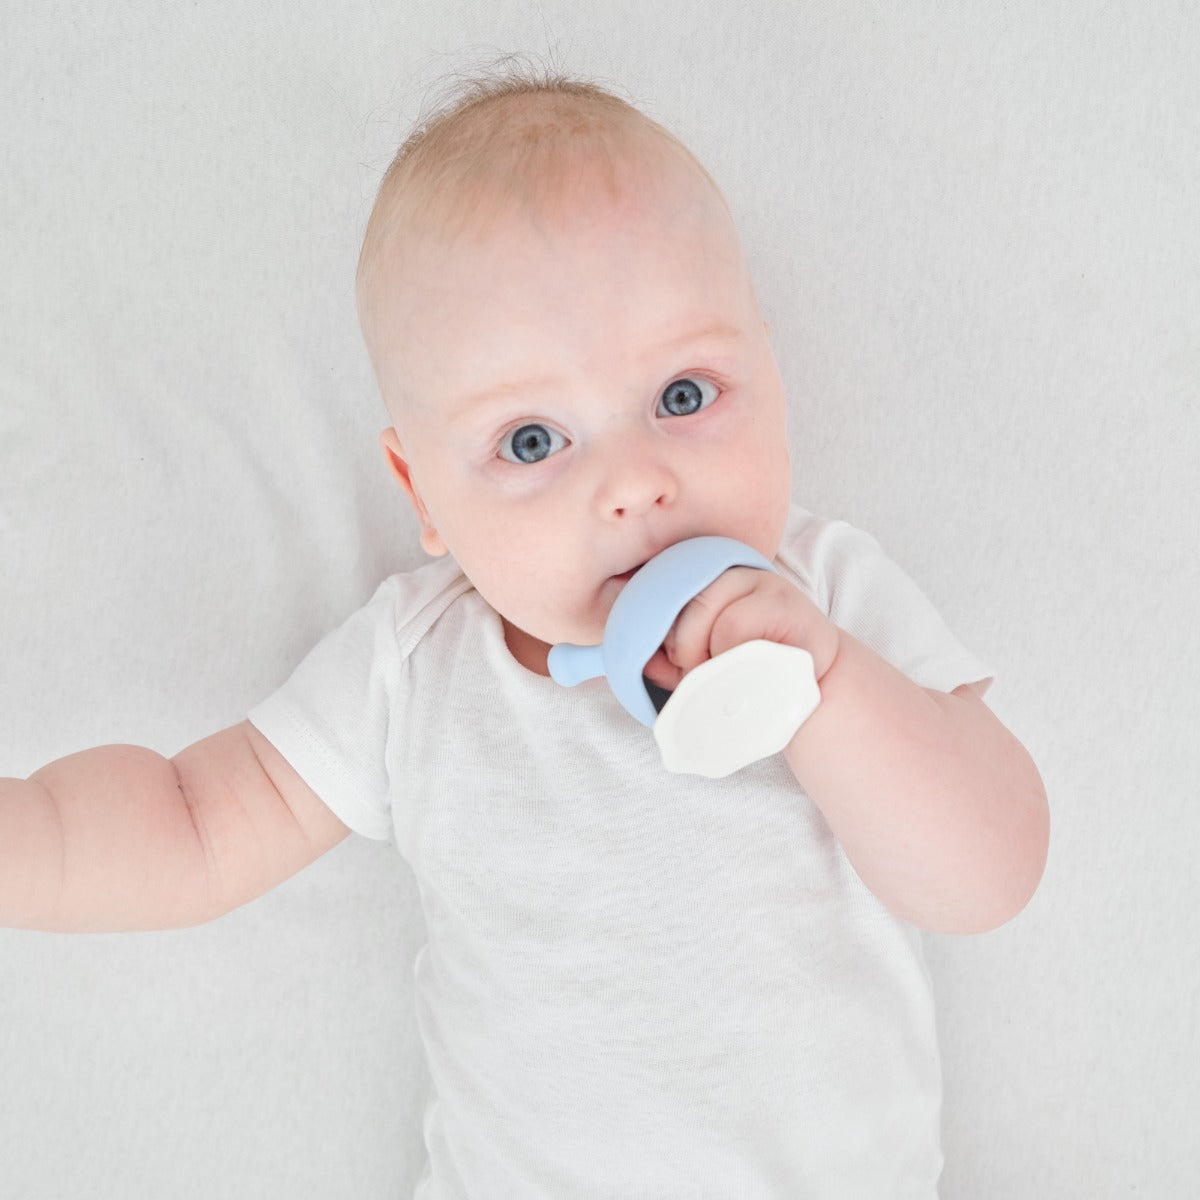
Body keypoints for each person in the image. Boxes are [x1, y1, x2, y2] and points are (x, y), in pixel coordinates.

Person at [1, 64, 1048, 1197]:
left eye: (685, 397)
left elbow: (986, 879)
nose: (636, 484)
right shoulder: (416, 668)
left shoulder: (828, 597)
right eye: (535, 443)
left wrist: (831, 687)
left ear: (774, 375)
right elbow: (195, 821)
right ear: (424, 497)